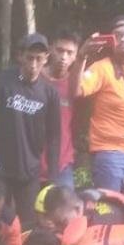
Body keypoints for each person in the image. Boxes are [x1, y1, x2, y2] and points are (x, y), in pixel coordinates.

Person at [73, 15, 124, 198]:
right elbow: (76, 91)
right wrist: (82, 57)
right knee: (109, 211)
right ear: (111, 39)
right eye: (118, 35)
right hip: (109, 152)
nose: (123, 39)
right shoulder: (101, 68)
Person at [0, 33, 61, 230]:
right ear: (20, 56)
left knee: (28, 224)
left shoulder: (49, 93)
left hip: (30, 169)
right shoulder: (3, 82)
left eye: (39, 59)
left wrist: (53, 175)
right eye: (30, 58)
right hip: (1, 167)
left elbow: (54, 136)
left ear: (46, 58)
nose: (33, 64)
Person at [42, 29, 81, 188]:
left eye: (70, 52)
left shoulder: (76, 85)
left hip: (62, 163)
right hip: (30, 162)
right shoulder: (35, 78)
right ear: (50, 49)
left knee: (66, 211)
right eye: (60, 50)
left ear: (76, 56)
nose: (64, 57)